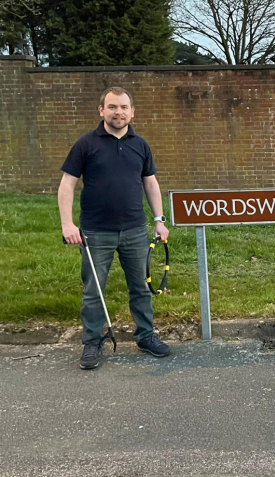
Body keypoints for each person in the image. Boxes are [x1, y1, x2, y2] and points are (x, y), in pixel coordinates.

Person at [58, 87, 171, 370]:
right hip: (96, 231)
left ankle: (146, 336)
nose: (118, 112)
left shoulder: (141, 145)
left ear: (132, 112)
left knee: (141, 288)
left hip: (135, 230)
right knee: (94, 290)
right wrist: (67, 224)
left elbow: (151, 184)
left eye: (123, 107)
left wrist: (159, 220)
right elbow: (67, 184)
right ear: (101, 111)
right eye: (112, 107)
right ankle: (92, 343)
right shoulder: (86, 144)